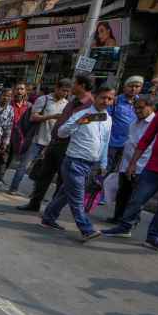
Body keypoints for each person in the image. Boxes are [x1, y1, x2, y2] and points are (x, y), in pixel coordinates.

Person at [40, 85, 115, 242]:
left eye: (110, 99)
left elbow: (105, 142)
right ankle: (86, 229)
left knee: (66, 194)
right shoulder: (82, 114)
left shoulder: (108, 119)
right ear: (95, 97)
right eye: (103, 97)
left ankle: (48, 217)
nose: (106, 101)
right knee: (77, 198)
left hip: (91, 164)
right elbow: (61, 132)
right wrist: (79, 122)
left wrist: (103, 163)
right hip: (74, 162)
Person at [18, 74, 95, 212]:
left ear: (82, 86)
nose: (71, 87)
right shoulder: (72, 102)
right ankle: (34, 204)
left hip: (69, 146)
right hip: (54, 143)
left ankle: (51, 211)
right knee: (44, 175)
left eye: (74, 84)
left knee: (61, 180)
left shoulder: (91, 106)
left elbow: (85, 127)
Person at [102, 96, 158, 253]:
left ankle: (154, 237)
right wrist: (132, 164)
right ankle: (124, 227)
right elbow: (145, 141)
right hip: (152, 169)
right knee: (136, 200)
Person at [8, 78, 71, 194]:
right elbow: (33, 117)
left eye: (67, 92)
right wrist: (51, 116)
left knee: (43, 169)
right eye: (63, 90)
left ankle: (35, 193)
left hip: (52, 142)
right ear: (57, 88)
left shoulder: (66, 104)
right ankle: (13, 188)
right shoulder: (44, 99)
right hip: (37, 139)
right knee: (24, 166)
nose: (65, 94)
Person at [108, 97, 155, 223]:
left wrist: (134, 165)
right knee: (122, 193)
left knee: (135, 197)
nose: (137, 110)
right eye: (136, 108)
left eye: (141, 108)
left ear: (150, 107)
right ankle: (118, 217)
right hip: (126, 163)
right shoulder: (134, 122)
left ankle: (130, 222)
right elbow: (130, 142)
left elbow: (148, 147)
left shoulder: (154, 123)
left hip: (141, 166)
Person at [0, 82, 30, 188]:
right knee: (3, 156)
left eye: (22, 89)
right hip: (6, 134)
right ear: (14, 91)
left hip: (19, 137)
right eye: (17, 89)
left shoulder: (28, 106)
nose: (19, 91)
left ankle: (0, 176)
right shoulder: (9, 104)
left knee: (11, 158)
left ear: (25, 91)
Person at [106, 76, 143, 173]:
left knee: (121, 171)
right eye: (131, 86)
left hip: (130, 144)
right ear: (124, 87)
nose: (133, 89)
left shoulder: (142, 103)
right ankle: (99, 186)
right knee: (105, 168)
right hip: (112, 142)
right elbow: (106, 118)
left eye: (137, 86)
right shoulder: (115, 100)